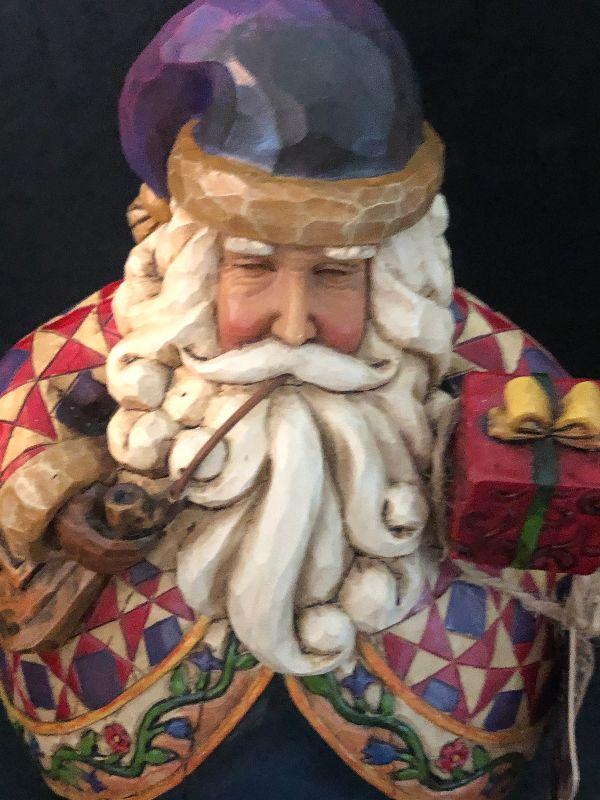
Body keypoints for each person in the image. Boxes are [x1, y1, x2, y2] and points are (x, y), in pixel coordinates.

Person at [0, 2, 576, 799]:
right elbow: (16, 441)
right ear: (197, 266)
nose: (294, 323)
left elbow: (566, 507)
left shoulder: (503, 373)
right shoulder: (96, 354)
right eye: (253, 268)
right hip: (127, 727)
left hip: (437, 725)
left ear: (392, 276)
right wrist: (54, 495)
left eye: (336, 275)